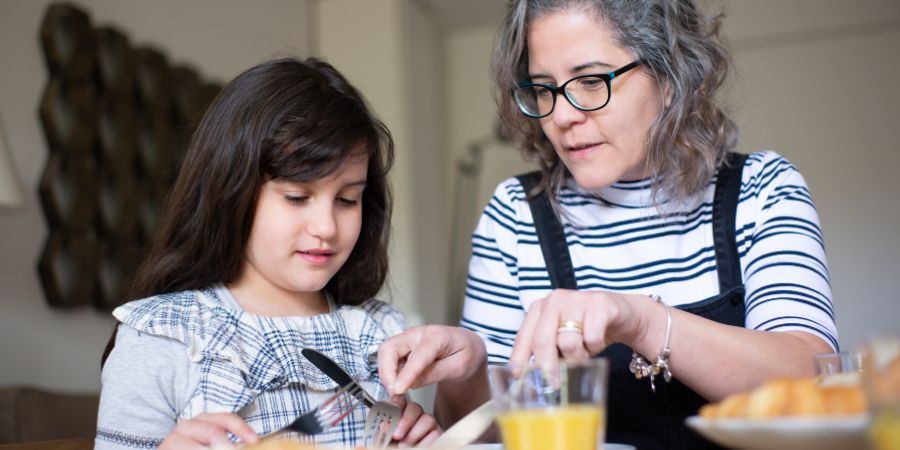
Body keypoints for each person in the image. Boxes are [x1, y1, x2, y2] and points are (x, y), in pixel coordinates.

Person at [378, 1, 837, 449]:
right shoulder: (515, 213)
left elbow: (812, 393)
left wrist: (641, 321)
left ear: (671, 77)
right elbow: (477, 434)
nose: (560, 116)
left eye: (592, 80)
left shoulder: (763, 189)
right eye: (543, 88)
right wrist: (471, 370)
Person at [95, 57, 441, 450]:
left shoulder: (380, 337)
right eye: (297, 197)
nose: (326, 227)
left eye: (347, 199)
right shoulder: (162, 337)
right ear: (232, 191)